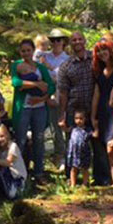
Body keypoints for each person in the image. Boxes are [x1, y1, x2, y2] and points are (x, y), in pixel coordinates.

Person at [11, 39, 55, 184]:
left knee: (39, 139)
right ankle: (20, 172)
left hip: (39, 108)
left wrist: (42, 98)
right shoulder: (16, 65)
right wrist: (36, 84)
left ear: (33, 51)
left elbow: (50, 86)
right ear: (20, 52)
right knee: (21, 140)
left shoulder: (40, 67)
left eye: (28, 50)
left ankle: (38, 172)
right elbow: (16, 83)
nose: (26, 53)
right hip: (23, 107)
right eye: (23, 51)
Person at [57, 32, 96, 180]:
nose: (77, 42)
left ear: (85, 41)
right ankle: (71, 177)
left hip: (94, 109)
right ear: (70, 44)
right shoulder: (65, 66)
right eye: (74, 40)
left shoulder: (94, 59)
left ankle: (99, 177)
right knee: (73, 145)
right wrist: (62, 114)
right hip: (74, 110)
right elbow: (63, 92)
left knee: (96, 144)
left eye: (80, 39)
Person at [90, 38, 113, 187]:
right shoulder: (98, 71)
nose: (103, 53)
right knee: (104, 146)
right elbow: (96, 95)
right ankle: (109, 180)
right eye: (99, 51)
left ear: (111, 50)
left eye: (105, 49)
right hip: (103, 111)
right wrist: (93, 116)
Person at [44, 29, 70, 163]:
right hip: (48, 97)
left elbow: (62, 77)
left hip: (65, 97)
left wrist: (52, 73)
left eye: (58, 40)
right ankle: (59, 155)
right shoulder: (45, 56)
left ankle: (70, 156)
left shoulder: (67, 58)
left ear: (63, 42)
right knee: (55, 128)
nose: (56, 43)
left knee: (67, 126)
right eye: (53, 40)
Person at [0, 124, 26, 200]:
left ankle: (13, 191)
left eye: (2, 136)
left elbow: (8, 162)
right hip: (6, 176)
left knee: (12, 195)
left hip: (16, 178)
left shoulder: (13, 146)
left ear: (7, 135)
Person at [66, 109, 92, 188]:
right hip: (74, 152)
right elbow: (65, 130)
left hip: (84, 152)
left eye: (81, 119)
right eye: (76, 118)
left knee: (84, 169)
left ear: (85, 119)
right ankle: (73, 184)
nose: (78, 121)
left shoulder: (87, 130)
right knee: (74, 168)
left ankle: (85, 183)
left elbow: (94, 135)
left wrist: (96, 128)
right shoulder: (73, 128)